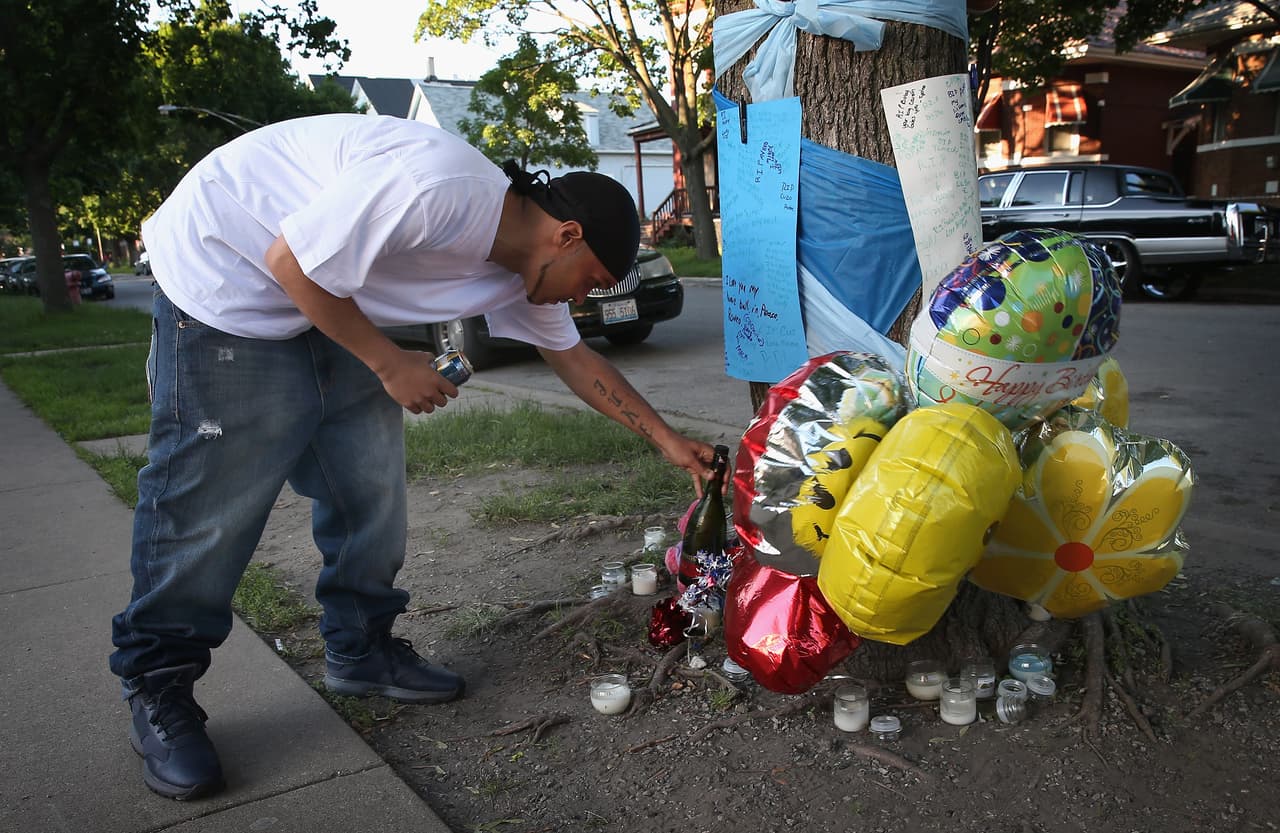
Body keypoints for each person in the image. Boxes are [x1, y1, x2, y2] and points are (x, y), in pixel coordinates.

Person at [110, 113, 715, 801]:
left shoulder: (527, 268)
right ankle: (158, 685)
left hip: (323, 300)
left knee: (368, 483)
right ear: (566, 234)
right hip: (226, 274)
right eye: (592, 278)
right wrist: (389, 361)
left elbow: (576, 360)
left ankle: (361, 646)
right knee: (211, 504)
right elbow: (288, 259)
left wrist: (669, 441)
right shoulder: (437, 188)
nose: (586, 295)